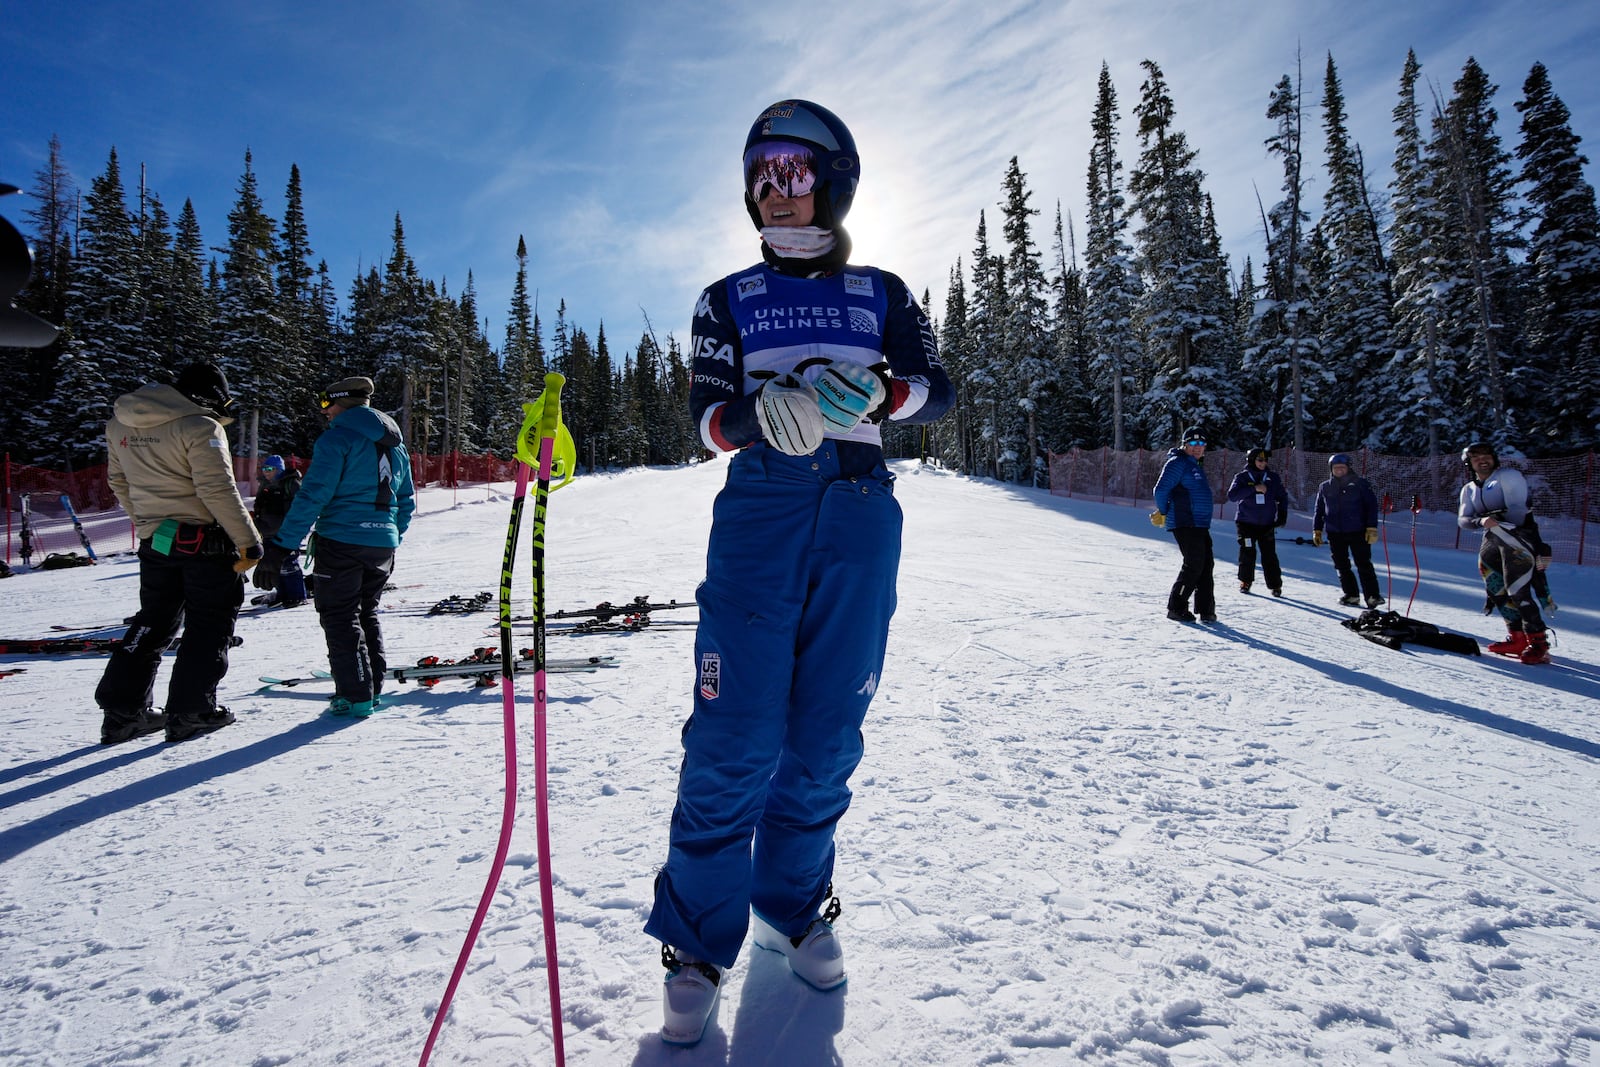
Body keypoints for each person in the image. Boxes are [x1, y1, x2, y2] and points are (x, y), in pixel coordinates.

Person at [644, 98, 953, 1047]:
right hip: (764, 509)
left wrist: (888, 392)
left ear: (835, 176)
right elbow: (700, 417)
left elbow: (937, 388)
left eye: (793, 168)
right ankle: (696, 944)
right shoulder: (725, 298)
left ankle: (793, 903)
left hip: (861, 510)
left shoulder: (883, 292)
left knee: (824, 735)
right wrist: (754, 411)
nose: (776, 191)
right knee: (735, 732)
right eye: (761, 174)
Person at [96, 362, 262, 744]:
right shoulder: (201, 427)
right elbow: (217, 490)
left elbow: (118, 482)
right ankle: (192, 711)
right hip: (207, 543)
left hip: (158, 539)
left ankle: (123, 712)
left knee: (152, 621)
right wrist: (249, 540)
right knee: (209, 625)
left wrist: (146, 524)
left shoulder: (120, 423)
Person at [254, 377, 414, 716]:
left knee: (340, 616)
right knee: (365, 613)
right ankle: (370, 687)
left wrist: (282, 545)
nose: (325, 413)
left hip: (342, 539)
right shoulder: (395, 445)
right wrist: (389, 535)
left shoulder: (337, 438)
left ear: (342, 403)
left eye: (327, 405)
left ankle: (355, 695)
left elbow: (314, 494)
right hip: (381, 544)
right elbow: (406, 500)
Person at [1458, 442, 1552, 664]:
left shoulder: (1507, 476)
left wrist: (1489, 518)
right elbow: (1463, 520)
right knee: (1496, 589)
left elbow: (1518, 512)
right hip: (1491, 541)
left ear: (1494, 458)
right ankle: (1517, 637)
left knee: (1518, 590)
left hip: (1520, 539)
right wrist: (1481, 520)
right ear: (1469, 463)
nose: (1482, 460)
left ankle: (1539, 642)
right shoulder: (1469, 489)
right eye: (1475, 457)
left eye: (1486, 455)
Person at [1151, 426, 1217, 622]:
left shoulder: (1194, 465)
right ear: (1185, 444)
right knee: (1194, 564)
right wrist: (1163, 512)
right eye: (1193, 443)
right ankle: (1176, 607)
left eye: (1201, 443)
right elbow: (1161, 490)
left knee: (1206, 564)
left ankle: (1206, 610)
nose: (1198, 447)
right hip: (1185, 521)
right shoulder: (1177, 463)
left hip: (1199, 523)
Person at [1311, 453, 1382, 609]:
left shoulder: (1361, 484)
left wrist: (1371, 527)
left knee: (1363, 563)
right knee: (1341, 565)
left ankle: (1372, 596)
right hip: (1335, 532)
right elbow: (1319, 509)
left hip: (1358, 531)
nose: (1339, 471)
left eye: (1342, 468)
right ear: (1331, 469)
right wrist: (1317, 529)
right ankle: (1351, 595)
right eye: (1336, 468)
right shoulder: (1325, 486)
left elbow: (1371, 506)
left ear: (1348, 468)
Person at [1226, 447, 1289, 596]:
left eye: (1265, 460)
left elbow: (1282, 496)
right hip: (1246, 523)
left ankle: (1275, 585)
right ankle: (1245, 581)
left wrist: (1282, 513)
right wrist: (1254, 488)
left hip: (1266, 524)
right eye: (1260, 460)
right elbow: (1233, 496)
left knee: (1269, 554)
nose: (1263, 463)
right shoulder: (1242, 477)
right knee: (1248, 552)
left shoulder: (1273, 477)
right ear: (1252, 460)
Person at [250, 454, 307, 608]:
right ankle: (282, 593)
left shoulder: (290, 483)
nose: (266, 472)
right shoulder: (266, 485)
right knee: (273, 564)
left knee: (288, 563)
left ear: (278, 469)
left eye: (269, 469)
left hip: (285, 532)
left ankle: (297, 594)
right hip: (267, 531)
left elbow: (299, 508)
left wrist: (293, 530)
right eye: (264, 469)